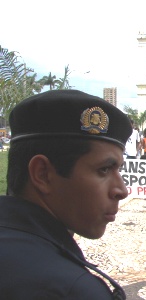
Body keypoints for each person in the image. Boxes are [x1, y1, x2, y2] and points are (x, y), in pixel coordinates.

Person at [0, 90, 131, 299]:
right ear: (42, 174)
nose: (122, 191)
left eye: (119, 170)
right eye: (104, 170)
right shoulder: (71, 289)